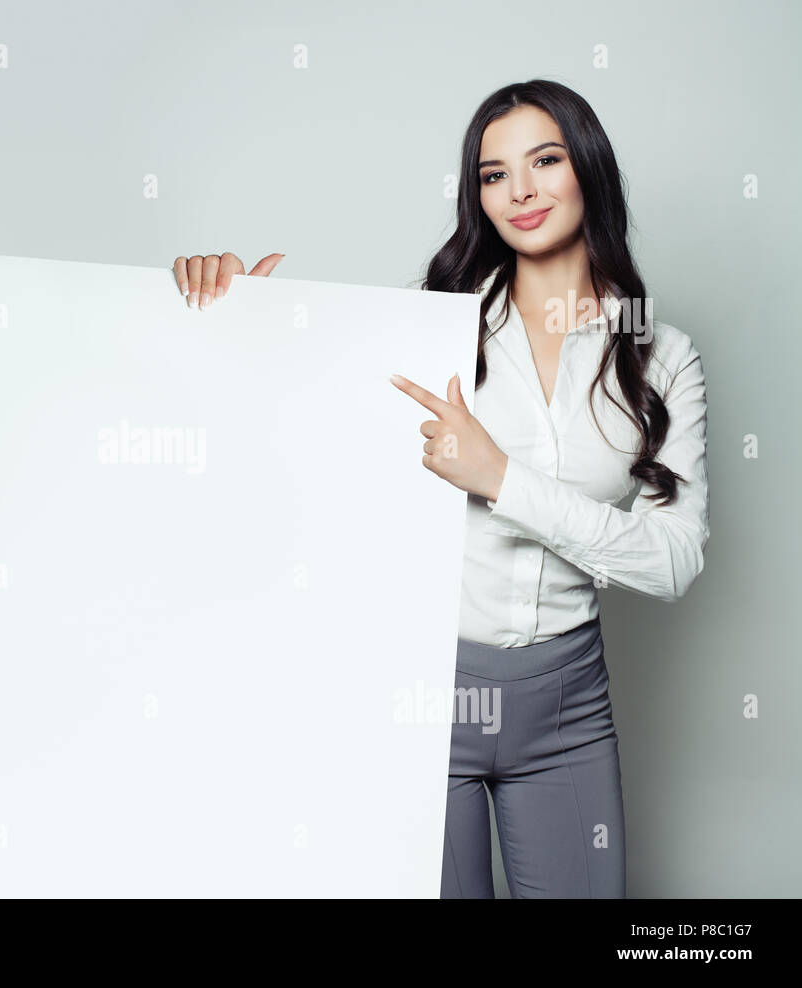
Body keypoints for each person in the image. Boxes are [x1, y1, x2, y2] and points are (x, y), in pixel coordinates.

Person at [168, 79, 710, 898]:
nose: (520, 191)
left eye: (545, 160)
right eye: (494, 175)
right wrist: (233, 316)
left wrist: (501, 481)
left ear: (588, 168)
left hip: (569, 708)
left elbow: (673, 564)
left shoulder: (661, 355)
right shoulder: (426, 323)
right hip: (418, 698)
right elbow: (285, 460)